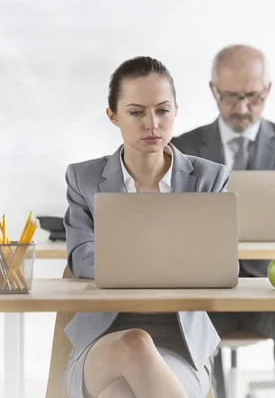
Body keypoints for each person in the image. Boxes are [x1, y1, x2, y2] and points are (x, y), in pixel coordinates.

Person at [172, 44, 275, 398]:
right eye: (231, 97)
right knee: (187, 321)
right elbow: (166, 224)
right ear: (213, 90)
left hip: (270, 286)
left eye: (253, 97)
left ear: (268, 91)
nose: (242, 109)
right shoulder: (182, 148)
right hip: (207, 291)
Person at [63, 56, 229, 398]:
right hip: (103, 342)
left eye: (162, 110)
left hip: (181, 345)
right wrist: (166, 265)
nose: (152, 124)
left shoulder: (209, 179)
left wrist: (130, 264)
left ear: (176, 111)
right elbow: (82, 258)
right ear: (113, 116)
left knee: (119, 395)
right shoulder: (85, 179)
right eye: (136, 112)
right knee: (135, 344)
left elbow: (216, 262)